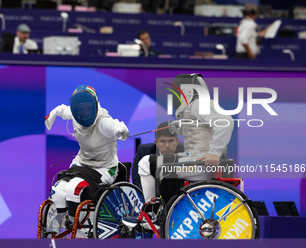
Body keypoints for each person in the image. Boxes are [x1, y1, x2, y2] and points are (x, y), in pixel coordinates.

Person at [123, 73, 234, 230]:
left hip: (203, 164)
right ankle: (167, 213)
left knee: (146, 163)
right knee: (167, 168)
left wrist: (214, 152)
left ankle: (151, 213)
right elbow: (200, 128)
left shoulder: (198, 104)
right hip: (196, 160)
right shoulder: (196, 106)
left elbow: (226, 122)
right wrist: (180, 126)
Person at [44, 85, 129, 234]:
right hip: (82, 163)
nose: (84, 112)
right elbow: (62, 110)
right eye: (80, 109)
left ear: (95, 105)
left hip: (105, 168)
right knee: (58, 189)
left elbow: (114, 125)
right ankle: (58, 230)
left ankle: (77, 228)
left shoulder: (102, 122)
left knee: (74, 189)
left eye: (88, 108)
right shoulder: (76, 115)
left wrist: (121, 130)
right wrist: (52, 115)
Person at [132, 122, 184, 190]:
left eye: (171, 141)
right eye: (162, 141)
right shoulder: (143, 152)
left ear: (177, 141)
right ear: (156, 142)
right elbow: (137, 182)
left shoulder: (187, 151)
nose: (167, 146)